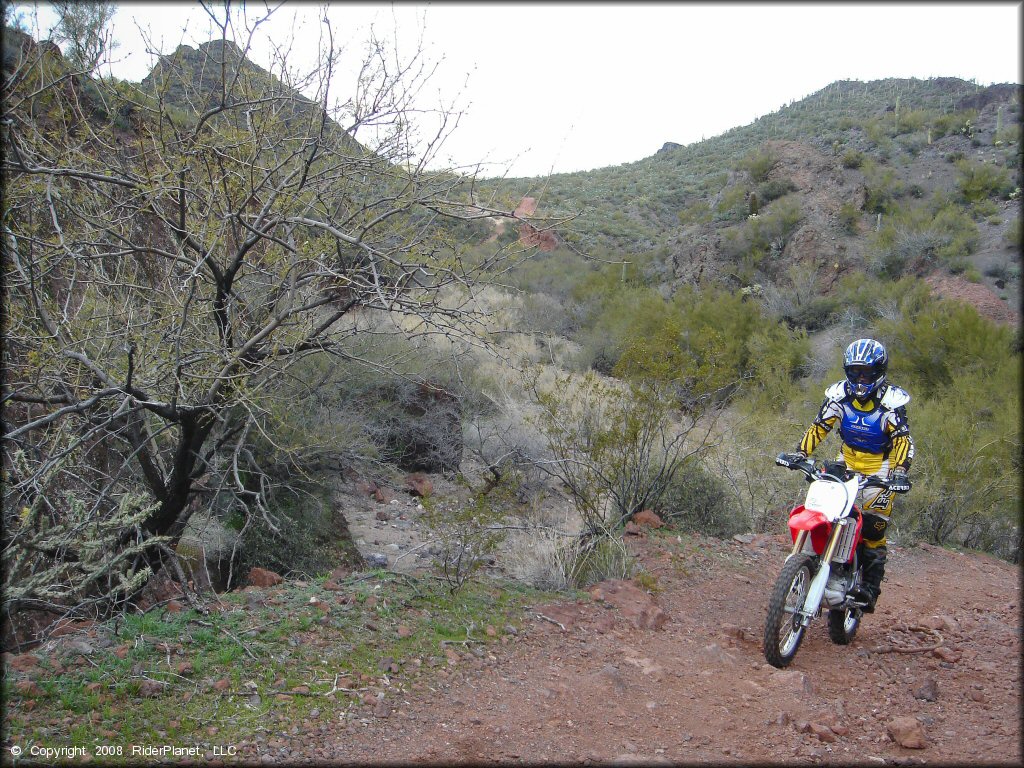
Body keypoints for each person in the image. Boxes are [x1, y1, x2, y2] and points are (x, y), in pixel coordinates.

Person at [780, 338, 913, 613]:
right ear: (847, 372)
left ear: (878, 373)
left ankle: (869, 589)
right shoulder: (839, 397)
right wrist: (800, 454)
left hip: (881, 466)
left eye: (866, 373)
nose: (860, 379)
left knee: (874, 527)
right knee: (830, 511)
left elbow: (902, 440)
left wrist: (899, 472)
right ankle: (822, 565)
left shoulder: (890, 404)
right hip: (847, 460)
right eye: (855, 372)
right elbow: (819, 427)